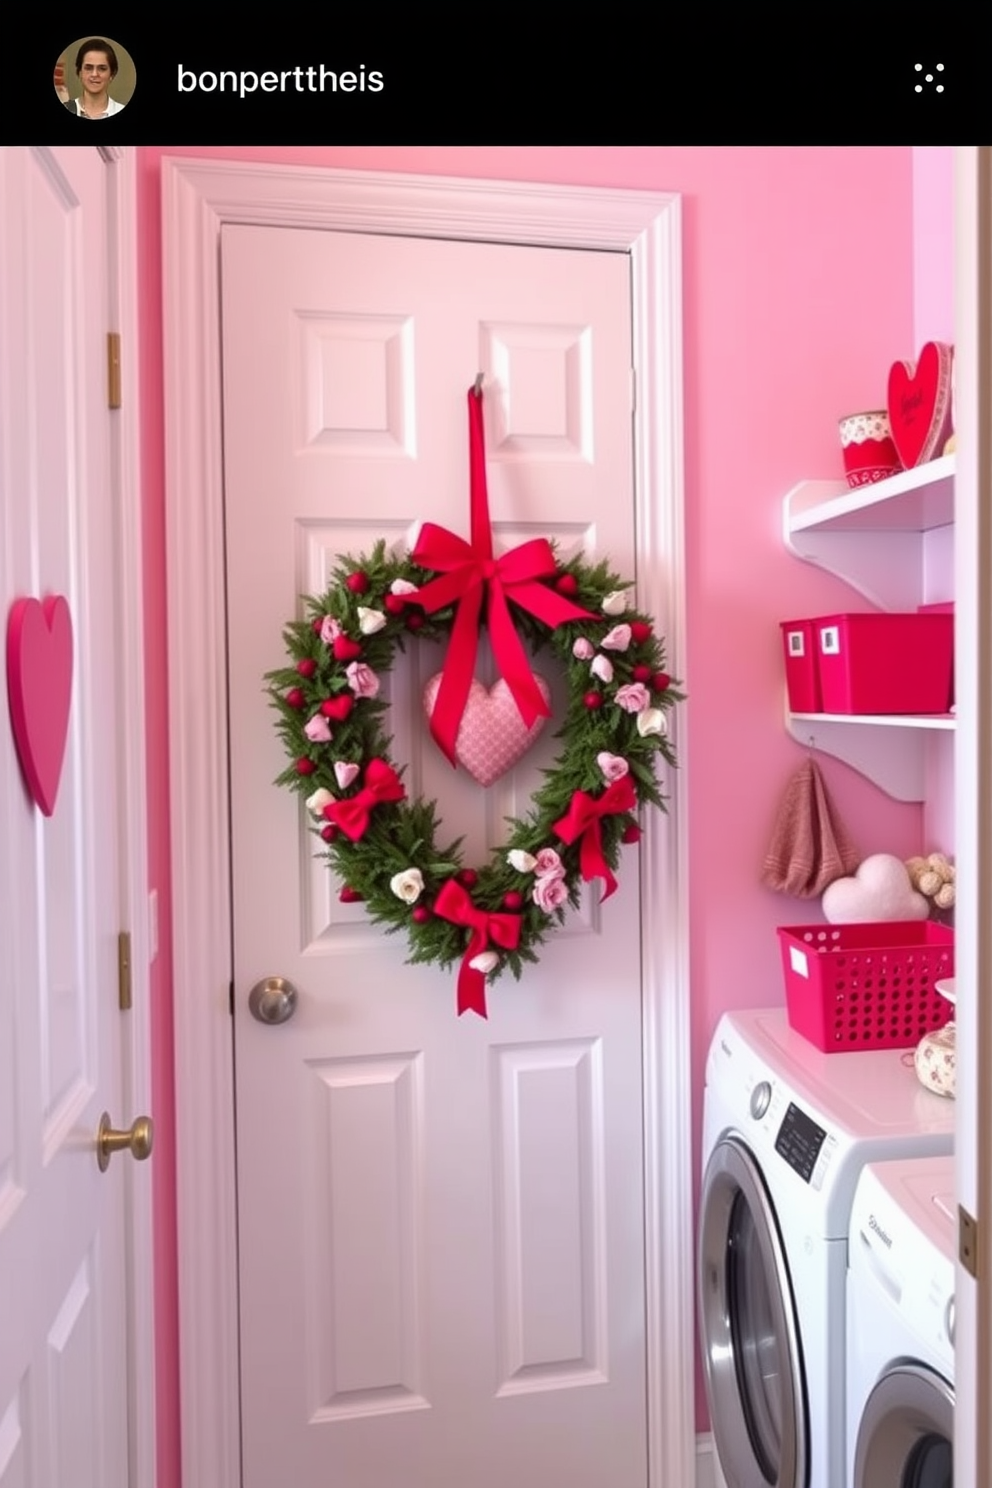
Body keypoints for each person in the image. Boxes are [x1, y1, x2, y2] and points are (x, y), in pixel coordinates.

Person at [64, 39, 126, 118]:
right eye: (88, 68)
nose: (94, 74)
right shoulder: (67, 108)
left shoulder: (120, 109)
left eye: (102, 68)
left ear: (112, 74)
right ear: (79, 72)